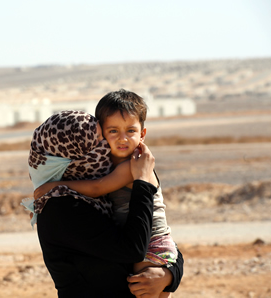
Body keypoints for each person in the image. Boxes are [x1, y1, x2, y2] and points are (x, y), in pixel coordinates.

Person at [34, 90, 178, 297]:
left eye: (130, 131)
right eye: (113, 131)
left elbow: (97, 188)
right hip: (153, 245)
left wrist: (56, 186)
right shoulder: (63, 207)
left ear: (142, 134)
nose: (122, 139)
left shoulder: (132, 167)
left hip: (153, 243)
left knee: (146, 288)